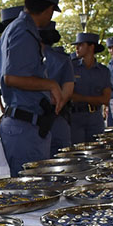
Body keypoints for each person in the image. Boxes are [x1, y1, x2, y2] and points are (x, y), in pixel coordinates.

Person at [0, 0, 63, 176]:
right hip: (24, 126)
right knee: (32, 194)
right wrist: (51, 85)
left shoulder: (18, 28)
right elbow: (12, 78)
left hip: (27, 123)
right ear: (48, 9)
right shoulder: (23, 31)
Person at [39, 22, 74, 155]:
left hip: (33, 121)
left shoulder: (27, 58)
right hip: (57, 117)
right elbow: (68, 92)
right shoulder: (63, 59)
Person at [69, 33, 110, 144]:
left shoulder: (103, 71)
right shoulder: (71, 67)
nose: (77, 48)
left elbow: (106, 99)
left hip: (95, 118)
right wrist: (95, 99)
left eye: (81, 45)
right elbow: (69, 95)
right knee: (77, 153)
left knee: (97, 152)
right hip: (75, 117)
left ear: (91, 47)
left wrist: (80, 98)